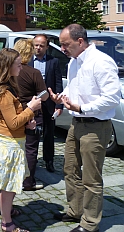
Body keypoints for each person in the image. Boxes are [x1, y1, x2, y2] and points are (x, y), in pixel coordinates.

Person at [50, 24, 121, 232]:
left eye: (65, 44)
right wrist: (61, 97)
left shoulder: (101, 62)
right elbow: (73, 87)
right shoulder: (74, 62)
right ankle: (75, 211)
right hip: (77, 124)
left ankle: (90, 224)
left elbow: (112, 98)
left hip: (96, 127)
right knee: (70, 169)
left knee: (91, 177)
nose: (62, 48)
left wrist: (82, 107)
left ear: (80, 41)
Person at [0, 48, 42, 232]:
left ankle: (7, 212)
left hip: (13, 141)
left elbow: (14, 121)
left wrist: (28, 124)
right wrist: (31, 108)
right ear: (8, 67)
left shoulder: (7, 87)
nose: (21, 68)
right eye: (18, 65)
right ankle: (7, 224)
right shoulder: (3, 93)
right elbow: (13, 121)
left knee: (10, 184)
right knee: (8, 187)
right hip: (9, 145)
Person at [13, 39, 49, 191]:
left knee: (15, 148)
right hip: (32, 115)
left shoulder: (9, 72)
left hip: (14, 113)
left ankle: (14, 179)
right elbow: (44, 94)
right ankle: (28, 182)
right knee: (30, 149)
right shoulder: (33, 72)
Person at [30, 34, 63, 173]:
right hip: (32, 102)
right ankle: (32, 159)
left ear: (47, 47)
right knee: (32, 132)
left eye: (41, 45)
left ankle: (49, 160)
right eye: (36, 45)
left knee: (49, 134)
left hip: (49, 103)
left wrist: (59, 104)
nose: (38, 48)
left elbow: (58, 83)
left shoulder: (53, 61)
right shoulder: (27, 61)